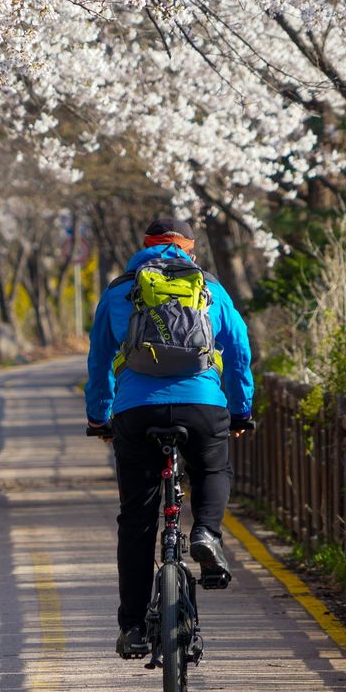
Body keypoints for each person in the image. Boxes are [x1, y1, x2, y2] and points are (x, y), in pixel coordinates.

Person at [85, 216, 255, 658]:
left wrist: (99, 417)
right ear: (190, 249)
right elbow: (239, 350)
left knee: (137, 521)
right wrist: (241, 410)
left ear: (144, 245)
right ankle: (206, 533)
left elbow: (99, 360)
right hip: (202, 405)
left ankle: (133, 628)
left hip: (136, 410)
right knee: (213, 468)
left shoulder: (119, 290)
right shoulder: (210, 288)